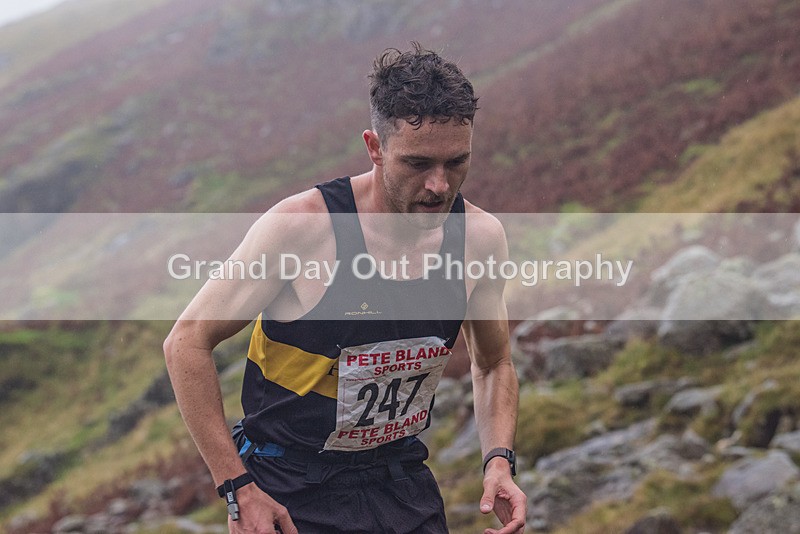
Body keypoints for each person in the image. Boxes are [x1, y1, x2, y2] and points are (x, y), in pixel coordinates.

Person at [164, 42, 526, 534]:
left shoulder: (480, 239)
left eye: (456, 163)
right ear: (375, 148)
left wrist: (498, 461)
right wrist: (237, 489)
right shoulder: (302, 228)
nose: (440, 186)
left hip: (402, 485)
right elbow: (185, 342)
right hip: (289, 494)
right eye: (418, 164)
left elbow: (493, 363)